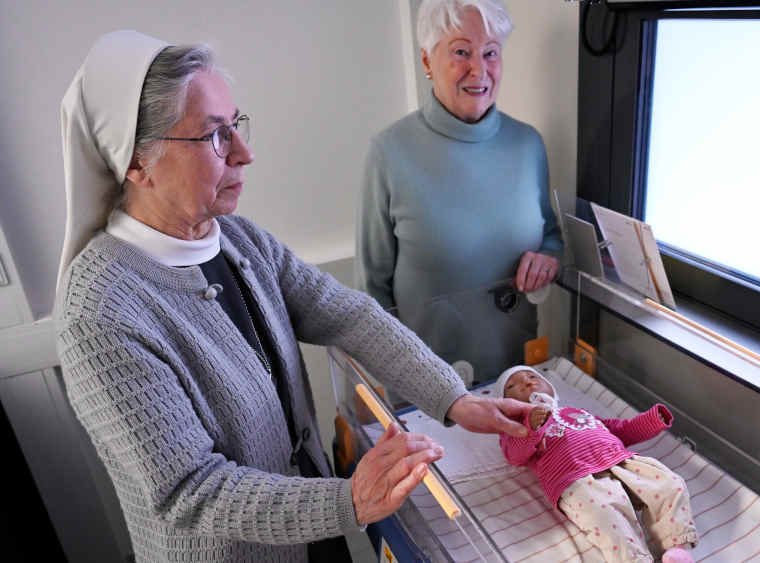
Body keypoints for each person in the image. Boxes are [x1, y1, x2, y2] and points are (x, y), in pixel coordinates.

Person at [55, 30, 532, 563]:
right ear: (136, 162)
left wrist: (452, 397)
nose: (245, 153)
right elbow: (190, 488)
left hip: (315, 530)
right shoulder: (99, 311)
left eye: (235, 125)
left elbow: (348, 315)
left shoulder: (238, 240)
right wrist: (350, 500)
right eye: (214, 136)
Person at [357, 0, 563, 379]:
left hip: (516, 379)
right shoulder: (389, 151)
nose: (479, 70)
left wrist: (549, 257)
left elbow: (551, 236)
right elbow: (373, 291)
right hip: (427, 387)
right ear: (426, 60)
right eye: (461, 52)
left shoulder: (528, 144)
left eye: (490, 53)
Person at [497, 366, 699, 563]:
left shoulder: (576, 412)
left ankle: (676, 548)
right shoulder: (515, 429)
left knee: (668, 484)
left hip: (620, 459)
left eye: (532, 376)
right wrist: (531, 426)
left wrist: (651, 421)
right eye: (512, 386)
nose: (526, 382)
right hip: (576, 478)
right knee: (605, 517)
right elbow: (514, 455)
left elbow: (620, 430)